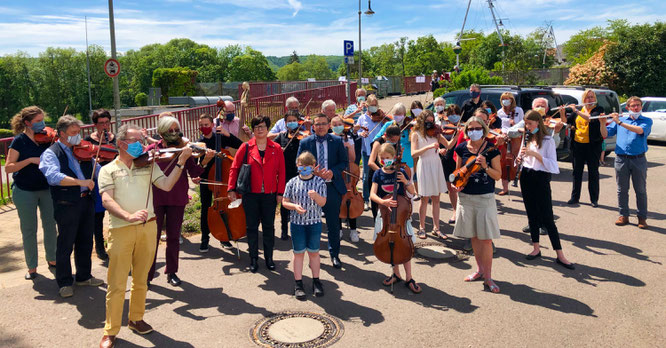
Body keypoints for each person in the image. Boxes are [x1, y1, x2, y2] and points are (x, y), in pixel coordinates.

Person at [97, 124, 193, 348]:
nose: (141, 144)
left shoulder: (148, 165)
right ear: (121, 144)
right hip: (121, 229)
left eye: (142, 140)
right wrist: (128, 216)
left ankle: (136, 319)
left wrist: (180, 161)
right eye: (135, 140)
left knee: (141, 279)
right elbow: (106, 201)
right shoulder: (108, 169)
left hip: (149, 227)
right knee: (117, 283)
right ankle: (110, 331)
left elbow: (167, 185)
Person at [38, 115, 103, 298]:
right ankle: (64, 282)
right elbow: (53, 177)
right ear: (62, 133)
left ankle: (83, 276)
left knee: (85, 241)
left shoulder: (83, 151)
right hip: (66, 203)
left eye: (79, 132)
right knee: (65, 243)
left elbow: (98, 171)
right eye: (74, 133)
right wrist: (79, 181)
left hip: (86, 201)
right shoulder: (51, 153)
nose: (78, 137)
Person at [146, 116, 214, 286]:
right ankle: (147, 273)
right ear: (161, 132)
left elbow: (194, 172)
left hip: (177, 197)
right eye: (170, 131)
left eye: (177, 130)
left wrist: (205, 161)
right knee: (151, 238)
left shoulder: (184, 149)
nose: (175, 134)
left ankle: (172, 272)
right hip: (155, 198)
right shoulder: (152, 149)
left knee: (173, 237)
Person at [228, 116, 286, 273]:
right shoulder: (245, 147)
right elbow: (234, 168)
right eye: (256, 127)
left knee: (269, 227)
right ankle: (253, 258)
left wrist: (280, 192)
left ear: (268, 129)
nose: (260, 129)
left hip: (269, 194)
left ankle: (269, 257)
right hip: (250, 194)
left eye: (263, 126)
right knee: (251, 227)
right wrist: (231, 188)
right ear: (252, 130)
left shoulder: (276, 148)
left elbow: (282, 172)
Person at [518, 111, 574, 269]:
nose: (527, 127)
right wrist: (519, 159)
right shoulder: (527, 137)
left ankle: (560, 254)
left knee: (547, 217)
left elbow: (552, 165)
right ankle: (536, 248)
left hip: (541, 177)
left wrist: (535, 155)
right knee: (531, 213)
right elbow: (522, 158)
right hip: (527, 176)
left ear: (538, 123)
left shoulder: (548, 140)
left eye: (530, 124)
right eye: (526, 124)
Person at [6, 106, 57, 280]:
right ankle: (32, 267)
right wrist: (29, 160)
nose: (42, 124)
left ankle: (53, 259)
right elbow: (8, 167)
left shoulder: (47, 139)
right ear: (27, 123)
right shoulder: (19, 141)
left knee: (50, 226)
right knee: (29, 229)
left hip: (46, 188)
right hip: (25, 190)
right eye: (37, 121)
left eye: (43, 120)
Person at [453, 116, 502, 293]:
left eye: (477, 128)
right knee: (473, 236)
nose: (474, 131)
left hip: (484, 198)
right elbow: (458, 172)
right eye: (470, 128)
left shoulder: (491, 150)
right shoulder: (461, 148)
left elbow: (497, 175)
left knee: (486, 239)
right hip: (466, 198)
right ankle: (479, 270)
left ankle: (488, 277)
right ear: (466, 131)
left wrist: (485, 167)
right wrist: (456, 183)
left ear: (483, 129)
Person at [298, 113, 348, 269]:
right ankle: (313, 256)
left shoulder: (338, 141)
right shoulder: (306, 142)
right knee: (311, 223)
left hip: (331, 186)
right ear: (313, 126)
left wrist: (333, 171)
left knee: (333, 224)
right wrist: (312, 172)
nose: (320, 127)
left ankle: (335, 255)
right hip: (311, 188)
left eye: (323, 123)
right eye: (317, 124)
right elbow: (298, 163)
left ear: (329, 125)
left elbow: (344, 162)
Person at [370, 143, 421, 294]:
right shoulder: (378, 174)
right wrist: (383, 202)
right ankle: (396, 274)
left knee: (404, 245)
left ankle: (409, 277)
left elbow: (412, 192)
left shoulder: (400, 172)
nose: (385, 160)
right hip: (385, 215)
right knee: (390, 244)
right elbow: (373, 194)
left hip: (401, 216)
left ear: (393, 158)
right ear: (379, 158)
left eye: (388, 158)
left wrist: (405, 182)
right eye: (383, 158)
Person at [281, 152, 328, 299]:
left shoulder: (319, 183)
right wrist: (294, 206)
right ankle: (298, 283)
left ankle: (316, 281)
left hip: (314, 223)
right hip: (297, 224)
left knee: (314, 253)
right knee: (298, 253)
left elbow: (323, 203)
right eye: (302, 166)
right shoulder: (292, 182)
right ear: (297, 166)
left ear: (313, 167)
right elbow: (284, 202)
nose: (304, 168)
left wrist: (316, 197)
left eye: (308, 166)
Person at [603, 96, 652, 229]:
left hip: (638, 159)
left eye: (638, 105)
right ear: (628, 108)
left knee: (640, 190)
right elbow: (605, 134)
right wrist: (602, 123)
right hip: (621, 159)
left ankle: (642, 217)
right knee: (622, 189)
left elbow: (639, 131)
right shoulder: (621, 119)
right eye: (633, 106)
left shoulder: (646, 121)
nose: (636, 108)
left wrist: (619, 122)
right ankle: (623, 215)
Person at [197, 113, 243, 252]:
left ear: (212, 125)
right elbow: (196, 167)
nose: (204, 127)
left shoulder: (220, 138)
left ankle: (224, 237)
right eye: (202, 125)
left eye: (207, 124)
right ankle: (205, 238)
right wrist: (204, 161)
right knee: (206, 208)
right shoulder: (199, 144)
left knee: (224, 207)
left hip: (222, 181)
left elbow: (240, 146)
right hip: (206, 179)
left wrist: (227, 134)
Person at [410, 110, 449, 239]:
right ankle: (422, 228)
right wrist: (428, 147)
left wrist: (457, 135)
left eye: (432, 121)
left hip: (436, 164)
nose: (431, 124)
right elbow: (414, 154)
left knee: (436, 198)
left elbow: (448, 144)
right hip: (424, 165)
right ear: (422, 121)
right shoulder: (416, 134)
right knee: (424, 198)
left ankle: (436, 228)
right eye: (428, 121)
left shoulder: (435, 133)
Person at [85, 109, 116, 261]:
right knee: (98, 217)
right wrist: (92, 161)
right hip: (98, 181)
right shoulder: (88, 141)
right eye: (101, 123)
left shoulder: (115, 139)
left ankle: (115, 243)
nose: (105, 126)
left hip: (115, 180)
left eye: (107, 122)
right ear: (95, 125)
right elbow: (83, 159)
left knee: (116, 213)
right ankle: (99, 247)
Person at [567, 89, 605, 207]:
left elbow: (589, 118)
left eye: (592, 97)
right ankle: (575, 197)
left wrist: (576, 110)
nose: (590, 99)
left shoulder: (599, 109)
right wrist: (563, 111)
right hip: (578, 145)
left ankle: (594, 199)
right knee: (576, 172)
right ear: (583, 99)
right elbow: (566, 122)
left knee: (593, 172)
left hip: (593, 146)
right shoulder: (578, 111)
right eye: (587, 97)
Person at [274, 110, 304, 241]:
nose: (292, 123)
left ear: (298, 122)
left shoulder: (303, 137)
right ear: (285, 123)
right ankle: (284, 229)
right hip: (284, 173)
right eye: (289, 121)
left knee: (299, 200)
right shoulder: (281, 137)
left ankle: (299, 228)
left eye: (294, 121)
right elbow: (271, 147)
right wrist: (277, 150)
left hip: (299, 173)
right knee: (285, 202)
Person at [356, 94, 388, 211]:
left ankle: (381, 196)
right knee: (366, 176)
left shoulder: (380, 117)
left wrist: (384, 118)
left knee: (381, 174)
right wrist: (361, 134)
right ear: (367, 105)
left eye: (376, 105)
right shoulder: (362, 118)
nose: (374, 108)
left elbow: (387, 129)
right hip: (367, 151)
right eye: (372, 105)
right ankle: (366, 199)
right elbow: (358, 132)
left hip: (381, 152)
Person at [331, 116, 359, 242]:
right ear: (331, 126)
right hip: (336, 174)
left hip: (348, 175)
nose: (337, 126)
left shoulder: (349, 138)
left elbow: (353, 159)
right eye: (334, 124)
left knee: (350, 200)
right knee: (337, 203)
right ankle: (339, 230)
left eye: (339, 124)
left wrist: (347, 147)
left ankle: (353, 230)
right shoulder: (329, 138)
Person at [368, 125, 402, 219]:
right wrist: (382, 172)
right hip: (377, 174)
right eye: (394, 139)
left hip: (389, 174)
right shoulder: (378, 142)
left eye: (397, 139)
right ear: (388, 136)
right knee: (377, 206)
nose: (395, 141)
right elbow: (370, 162)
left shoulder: (396, 142)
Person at [438, 104, 462, 224]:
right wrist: (439, 150)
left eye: (456, 114)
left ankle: (463, 212)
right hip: (446, 158)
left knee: (461, 186)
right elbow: (439, 142)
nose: (453, 116)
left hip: (460, 159)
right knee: (450, 187)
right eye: (451, 114)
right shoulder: (443, 127)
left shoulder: (463, 126)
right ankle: (454, 211)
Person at [497, 93, 524, 195]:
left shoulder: (518, 110)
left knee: (517, 161)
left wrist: (514, 125)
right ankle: (505, 187)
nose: (506, 101)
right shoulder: (500, 112)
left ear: (512, 100)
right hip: (504, 137)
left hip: (516, 137)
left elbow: (522, 123)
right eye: (504, 99)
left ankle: (519, 183)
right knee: (503, 162)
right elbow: (499, 126)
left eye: (508, 99)